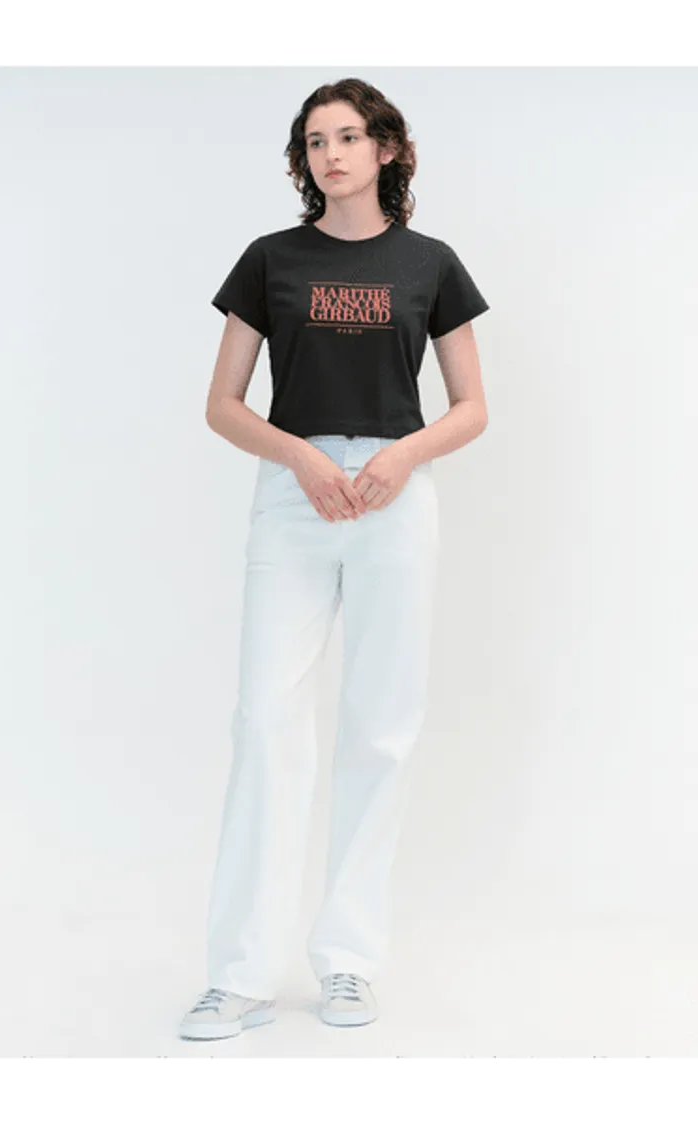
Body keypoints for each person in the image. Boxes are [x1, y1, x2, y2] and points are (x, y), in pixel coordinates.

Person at [179, 77, 490, 1041]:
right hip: (294, 493)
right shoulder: (270, 260)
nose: (331, 155)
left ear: (386, 148)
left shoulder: (430, 263)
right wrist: (304, 459)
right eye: (315, 141)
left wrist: (402, 457)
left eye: (348, 137)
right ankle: (239, 975)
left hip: (396, 496)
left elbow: (472, 407)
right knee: (265, 720)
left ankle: (348, 961)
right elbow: (223, 404)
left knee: (381, 726)